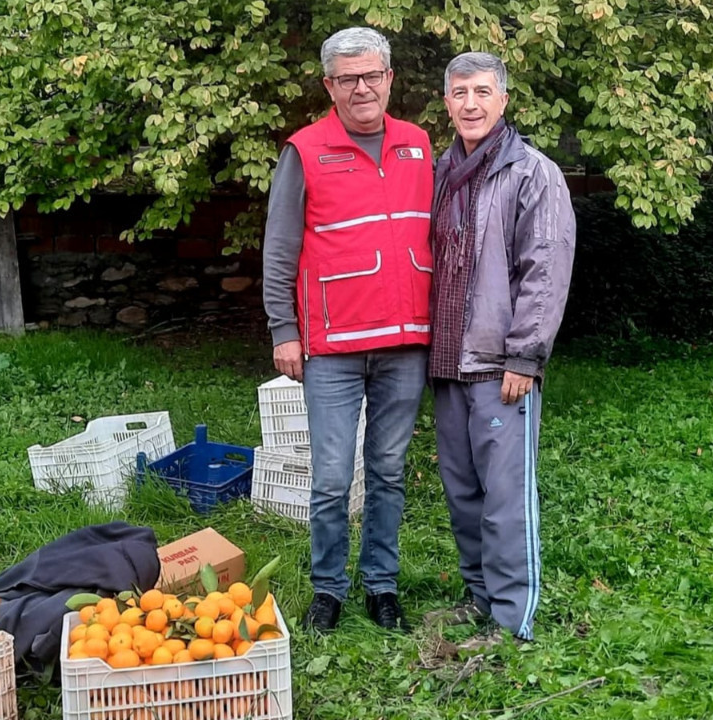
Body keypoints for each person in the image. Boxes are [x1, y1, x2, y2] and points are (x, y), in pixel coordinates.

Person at [261, 26, 435, 632]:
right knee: (333, 478)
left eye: (372, 76)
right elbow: (280, 249)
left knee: (388, 472)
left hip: (405, 341)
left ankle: (382, 585)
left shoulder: (420, 145)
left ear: (389, 79)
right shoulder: (304, 150)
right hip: (331, 346)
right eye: (347, 78)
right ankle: (329, 588)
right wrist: (284, 329)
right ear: (329, 85)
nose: (361, 88)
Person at [427, 51, 575, 644]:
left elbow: (544, 269)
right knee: (463, 493)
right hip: (446, 360)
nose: (471, 103)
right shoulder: (441, 173)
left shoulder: (532, 173)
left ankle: (513, 619)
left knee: (504, 498)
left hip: (499, 364)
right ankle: (479, 596)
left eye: (483, 92)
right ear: (446, 104)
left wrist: (525, 355)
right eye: (460, 93)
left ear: (504, 100)